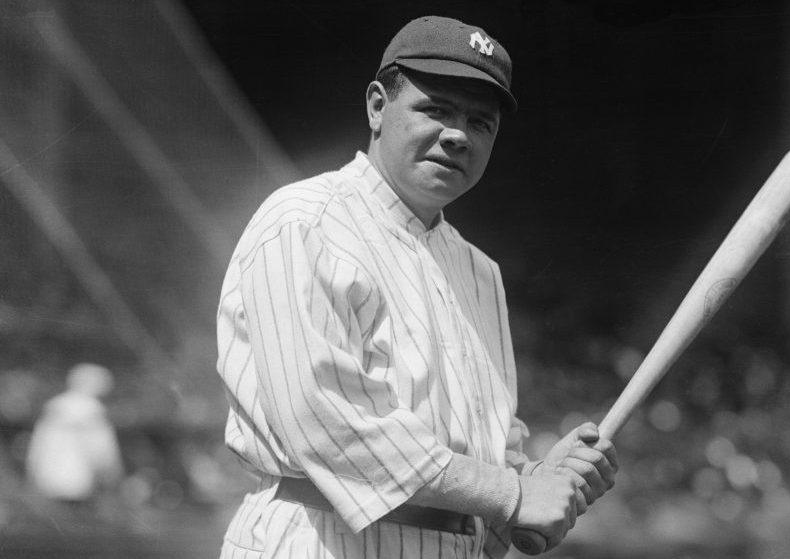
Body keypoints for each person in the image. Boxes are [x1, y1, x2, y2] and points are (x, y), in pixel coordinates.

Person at [216, 15, 618, 558]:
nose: (458, 135)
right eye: (436, 109)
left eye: (481, 123)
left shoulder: (479, 270)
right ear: (378, 107)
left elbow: (490, 463)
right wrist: (513, 492)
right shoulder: (305, 220)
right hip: (319, 539)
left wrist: (546, 477)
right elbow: (325, 424)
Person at [25, 362, 123, 503]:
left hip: (48, 482)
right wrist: (112, 475)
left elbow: (38, 446)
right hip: (82, 485)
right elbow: (103, 452)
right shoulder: (94, 411)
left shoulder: (53, 408)